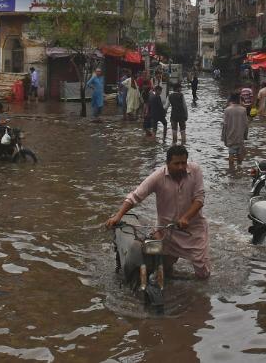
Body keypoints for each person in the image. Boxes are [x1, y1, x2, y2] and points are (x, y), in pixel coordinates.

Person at [105, 145, 210, 280]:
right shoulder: (158, 177)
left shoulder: (195, 170)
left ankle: (199, 297)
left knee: (202, 272)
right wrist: (118, 216)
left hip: (193, 230)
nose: (180, 167)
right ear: (167, 163)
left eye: (183, 163)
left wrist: (186, 218)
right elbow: (135, 196)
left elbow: (199, 199)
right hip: (167, 230)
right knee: (164, 269)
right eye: (176, 163)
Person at [221, 92, 249, 165]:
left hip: (230, 136)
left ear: (231, 100)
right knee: (239, 153)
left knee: (231, 153)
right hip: (240, 136)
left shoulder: (227, 110)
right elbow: (246, 124)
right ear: (239, 99)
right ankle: (239, 168)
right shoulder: (243, 110)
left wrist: (223, 137)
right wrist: (245, 136)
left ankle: (231, 170)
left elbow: (225, 125)